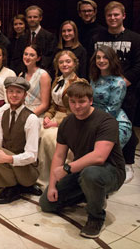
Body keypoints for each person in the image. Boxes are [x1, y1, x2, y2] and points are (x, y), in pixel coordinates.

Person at [40, 82, 125, 239]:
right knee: (47, 203)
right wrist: (52, 185)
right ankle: (91, 194)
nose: (77, 106)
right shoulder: (67, 123)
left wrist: (67, 169)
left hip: (111, 171)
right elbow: (59, 155)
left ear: (91, 101)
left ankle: (96, 217)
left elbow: (99, 157)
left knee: (90, 174)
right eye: (73, 102)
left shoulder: (107, 122)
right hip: (81, 170)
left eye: (82, 101)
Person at [93, 1, 140, 183]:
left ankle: (126, 163)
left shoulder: (135, 38)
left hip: (127, 91)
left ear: (123, 16)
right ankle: (105, 159)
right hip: (102, 89)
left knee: (123, 126)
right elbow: (94, 61)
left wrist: (121, 83)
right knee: (102, 125)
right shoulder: (97, 37)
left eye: (116, 15)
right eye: (109, 15)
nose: (113, 18)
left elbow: (138, 65)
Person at [38, 50, 87, 183]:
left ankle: (58, 178)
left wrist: (56, 123)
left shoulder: (80, 83)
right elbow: (53, 105)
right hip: (55, 116)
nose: (64, 64)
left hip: (71, 119)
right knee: (38, 130)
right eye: (61, 62)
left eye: (67, 61)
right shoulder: (57, 80)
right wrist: (48, 116)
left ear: (74, 63)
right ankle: (42, 176)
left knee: (50, 137)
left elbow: (77, 111)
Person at [90, 46, 132, 148]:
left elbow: (111, 111)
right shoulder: (94, 78)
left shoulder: (119, 82)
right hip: (93, 117)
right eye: (98, 57)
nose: (101, 60)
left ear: (111, 59)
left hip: (113, 122)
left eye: (105, 57)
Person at [19, 45, 51, 116]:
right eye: (26, 54)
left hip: (37, 114)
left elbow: (45, 105)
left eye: (32, 55)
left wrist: (28, 117)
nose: (27, 57)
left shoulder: (43, 75)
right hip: (22, 111)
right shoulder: (21, 74)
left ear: (38, 58)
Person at [25, 5, 56, 74]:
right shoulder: (22, 37)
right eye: (29, 17)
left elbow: (49, 58)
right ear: (26, 19)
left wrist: (36, 70)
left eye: (35, 17)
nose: (32, 19)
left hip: (42, 73)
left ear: (40, 18)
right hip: (25, 73)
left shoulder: (49, 37)